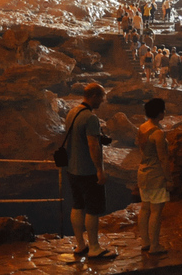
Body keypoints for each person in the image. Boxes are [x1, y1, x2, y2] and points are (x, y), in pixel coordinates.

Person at [65, 83, 115, 259]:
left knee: (77, 205)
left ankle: (80, 245)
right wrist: (100, 170)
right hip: (87, 171)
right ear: (94, 96)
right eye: (101, 97)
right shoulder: (90, 118)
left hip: (72, 169)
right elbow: (93, 145)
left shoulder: (72, 112)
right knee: (93, 209)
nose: (102, 101)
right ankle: (94, 248)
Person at [137, 98, 172, 255]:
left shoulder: (142, 128)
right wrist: (169, 178)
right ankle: (155, 245)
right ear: (160, 113)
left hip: (143, 171)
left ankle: (145, 241)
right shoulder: (157, 133)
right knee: (156, 210)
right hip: (155, 173)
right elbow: (163, 158)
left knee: (144, 208)